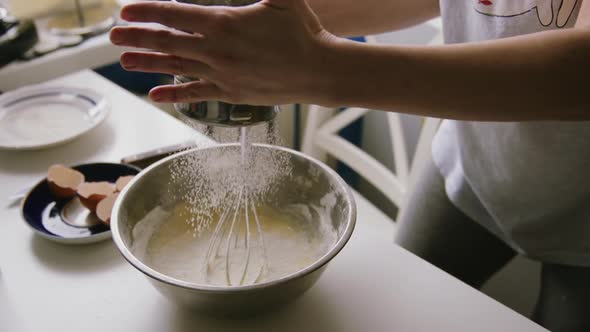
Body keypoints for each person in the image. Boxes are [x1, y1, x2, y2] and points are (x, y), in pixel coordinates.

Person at [109, 0, 590, 330]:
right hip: (470, 162)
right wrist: (242, 20)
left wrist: (320, 69)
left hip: (583, 223)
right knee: (394, 314)